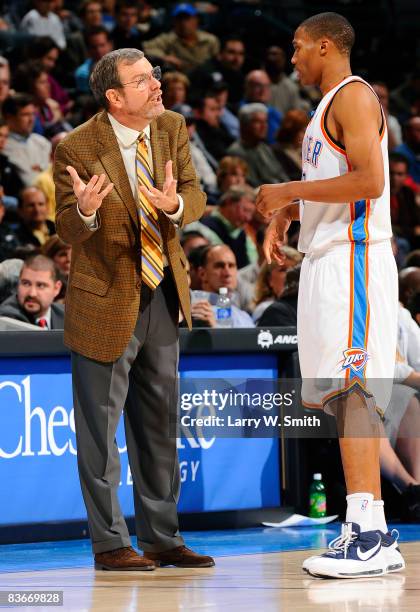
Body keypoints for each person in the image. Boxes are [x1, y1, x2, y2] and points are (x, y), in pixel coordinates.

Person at [53, 48, 213, 571]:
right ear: (114, 97)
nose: (156, 85)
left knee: (159, 425)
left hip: (162, 292)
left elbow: (194, 192)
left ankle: (164, 538)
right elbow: (66, 228)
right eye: (142, 81)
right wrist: (84, 210)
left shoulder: (170, 126)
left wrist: (177, 206)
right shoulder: (76, 146)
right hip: (105, 301)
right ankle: (110, 544)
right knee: (99, 433)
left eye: (155, 75)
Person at [256, 12, 403, 578]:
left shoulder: (354, 96)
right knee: (343, 396)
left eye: (297, 49)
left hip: (355, 261)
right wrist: (293, 211)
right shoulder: (325, 108)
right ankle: (371, 531)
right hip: (327, 260)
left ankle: (365, 531)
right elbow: (340, 181)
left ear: (324, 46)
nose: (291, 59)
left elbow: (370, 182)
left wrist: (289, 189)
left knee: (356, 390)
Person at [143, 4, 219, 73]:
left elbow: (218, 60)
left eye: (187, 18)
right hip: (180, 77)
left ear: (196, 20)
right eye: (179, 19)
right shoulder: (168, 39)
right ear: (174, 22)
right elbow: (147, 48)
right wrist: (165, 57)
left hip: (205, 77)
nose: (183, 23)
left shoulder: (210, 40)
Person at [227, 103, 289, 187]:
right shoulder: (236, 152)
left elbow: (281, 174)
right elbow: (253, 184)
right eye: (258, 122)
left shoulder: (264, 147)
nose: (264, 126)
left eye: (265, 121)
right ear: (244, 126)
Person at [194, 244, 254, 327]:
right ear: (202, 274)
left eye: (231, 266)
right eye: (219, 266)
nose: (227, 273)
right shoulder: (195, 311)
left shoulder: (244, 316)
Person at [0, 254, 64, 328]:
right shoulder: (7, 318)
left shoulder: (66, 316)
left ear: (56, 288)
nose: (32, 293)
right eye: (26, 284)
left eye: (41, 285)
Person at [2, 93, 52, 187]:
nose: (31, 119)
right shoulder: (3, 145)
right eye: (25, 114)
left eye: (33, 114)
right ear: (9, 117)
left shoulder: (42, 141)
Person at [252, 247, 302, 323]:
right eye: (283, 270)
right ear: (269, 280)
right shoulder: (267, 309)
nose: (290, 273)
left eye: (294, 269)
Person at [389, 152, 420, 249]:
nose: (395, 178)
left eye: (400, 174)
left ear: (406, 176)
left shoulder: (407, 193)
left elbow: (415, 219)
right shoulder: (376, 196)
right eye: (391, 173)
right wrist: (412, 231)